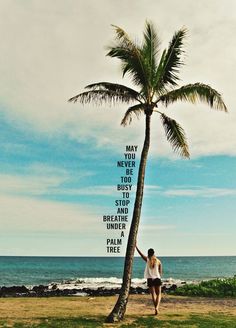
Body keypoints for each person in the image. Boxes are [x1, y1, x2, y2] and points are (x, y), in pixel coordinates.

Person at [136, 245, 162, 315]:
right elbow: (160, 272)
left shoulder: (147, 260)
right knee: (159, 294)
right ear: (154, 253)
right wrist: (158, 277)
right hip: (157, 278)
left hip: (150, 279)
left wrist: (136, 247)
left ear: (148, 253)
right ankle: (157, 307)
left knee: (153, 294)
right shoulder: (158, 261)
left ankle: (155, 308)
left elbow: (141, 254)